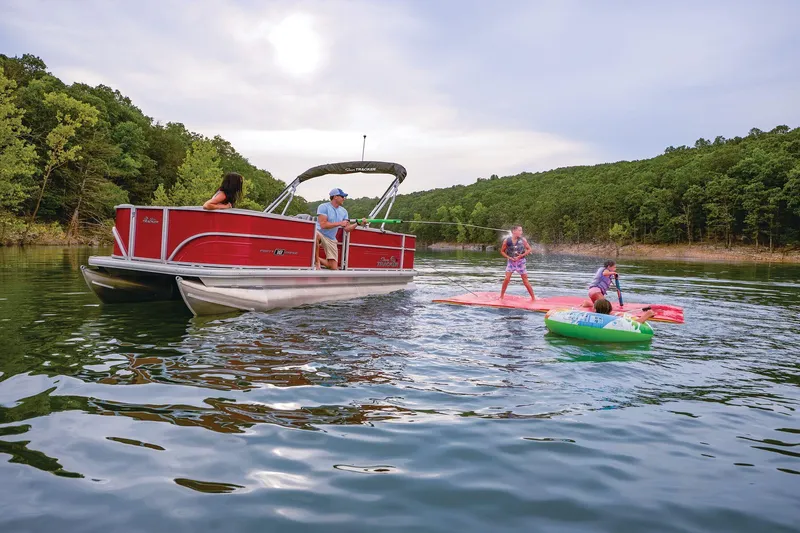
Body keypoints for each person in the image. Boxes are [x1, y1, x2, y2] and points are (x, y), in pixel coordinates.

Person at [315, 188, 364, 270]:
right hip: (320, 233)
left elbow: (347, 229)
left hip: (331, 238)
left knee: (333, 267)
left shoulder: (344, 211)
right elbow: (323, 225)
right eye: (342, 196)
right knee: (316, 235)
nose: (344, 199)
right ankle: (317, 261)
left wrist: (357, 223)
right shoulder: (323, 207)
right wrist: (340, 223)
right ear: (335, 197)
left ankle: (313, 258)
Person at [499, 225, 535, 301]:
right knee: (506, 279)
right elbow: (502, 251)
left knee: (525, 281)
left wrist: (521, 255)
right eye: (520, 230)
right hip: (511, 262)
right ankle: (501, 296)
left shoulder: (523, 240)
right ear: (514, 231)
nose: (521, 232)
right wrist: (509, 257)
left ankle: (533, 298)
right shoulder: (506, 241)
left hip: (521, 262)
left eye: (521, 230)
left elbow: (529, 249)